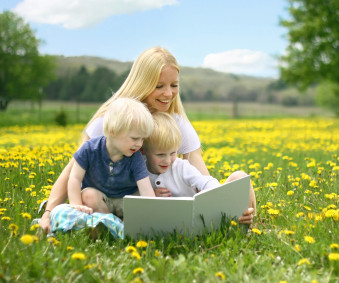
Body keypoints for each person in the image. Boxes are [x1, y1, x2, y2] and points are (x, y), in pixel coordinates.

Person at [39, 46, 255, 233]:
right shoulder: (112, 121)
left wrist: (220, 205)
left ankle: (247, 221)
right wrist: (49, 212)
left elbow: (201, 176)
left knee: (240, 178)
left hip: (170, 204)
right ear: (142, 83)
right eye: (159, 86)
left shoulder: (177, 123)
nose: (168, 94)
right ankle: (106, 226)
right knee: (91, 198)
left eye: (174, 85)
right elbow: (71, 172)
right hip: (124, 204)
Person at [68, 98, 156, 219]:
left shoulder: (135, 158)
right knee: (88, 196)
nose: (139, 144)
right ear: (113, 131)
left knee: (141, 203)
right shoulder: (90, 149)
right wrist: (76, 205)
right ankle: (110, 222)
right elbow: (75, 177)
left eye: (142, 139)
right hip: (101, 203)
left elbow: (146, 190)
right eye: (135, 138)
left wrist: (153, 211)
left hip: (125, 201)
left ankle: (120, 224)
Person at [144, 112, 255, 205]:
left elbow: (204, 181)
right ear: (143, 151)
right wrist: (151, 195)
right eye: (160, 155)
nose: (168, 160)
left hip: (196, 218)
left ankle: (249, 224)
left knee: (240, 176)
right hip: (168, 226)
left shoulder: (181, 167)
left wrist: (215, 193)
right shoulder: (141, 173)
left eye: (173, 153)